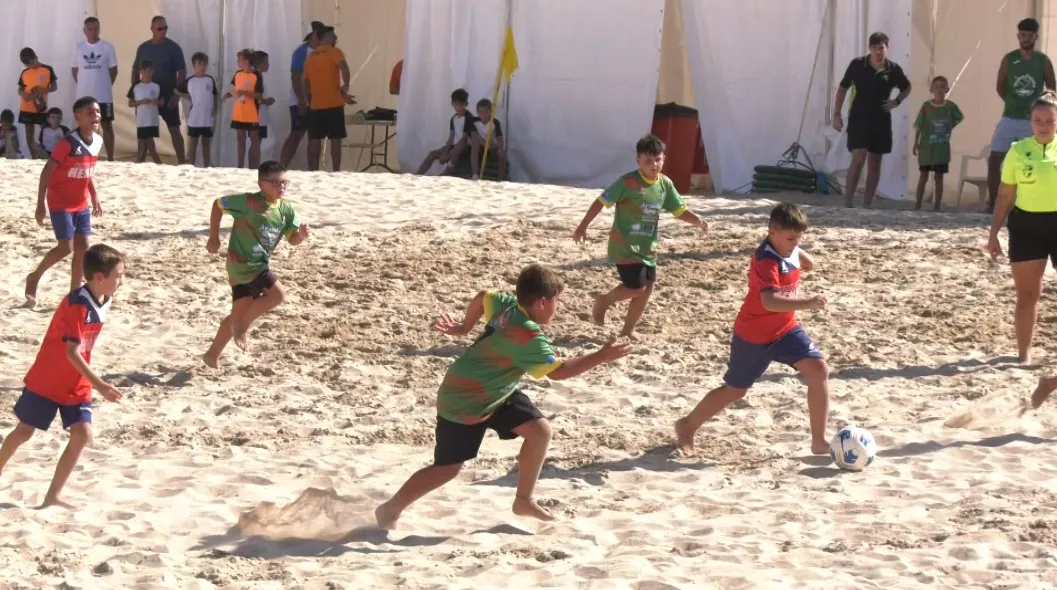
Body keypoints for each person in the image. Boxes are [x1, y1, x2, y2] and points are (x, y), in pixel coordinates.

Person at [374, 265, 634, 529]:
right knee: (448, 468)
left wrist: (465, 326)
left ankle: (523, 500)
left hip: (496, 391)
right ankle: (390, 509)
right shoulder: (528, 336)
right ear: (543, 302)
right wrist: (601, 356)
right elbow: (558, 372)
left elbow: (482, 297)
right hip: (464, 400)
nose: (558, 307)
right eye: (557, 301)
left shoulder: (508, 305)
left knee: (540, 431)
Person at [675, 203, 831, 456]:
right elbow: (769, 302)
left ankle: (819, 441)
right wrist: (808, 303)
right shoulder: (765, 260)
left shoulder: (788, 247)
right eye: (791, 238)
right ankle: (687, 425)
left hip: (785, 329)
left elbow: (807, 263)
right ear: (772, 231)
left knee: (819, 370)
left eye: (799, 237)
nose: (795, 243)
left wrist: (799, 251)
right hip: (754, 335)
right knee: (735, 391)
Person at [0, 244, 124, 509]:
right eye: (118, 275)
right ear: (98, 278)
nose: (121, 281)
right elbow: (71, 352)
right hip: (48, 378)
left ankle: (52, 496)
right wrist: (100, 385)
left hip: (76, 382)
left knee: (81, 434)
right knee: (24, 431)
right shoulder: (78, 304)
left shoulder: (103, 298)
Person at [572, 135, 708, 340]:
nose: (653, 165)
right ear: (638, 161)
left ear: (664, 159)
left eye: (658, 160)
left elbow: (679, 210)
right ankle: (604, 301)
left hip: (648, 248)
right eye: (648, 161)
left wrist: (696, 220)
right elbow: (601, 201)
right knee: (637, 287)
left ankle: (627, 330)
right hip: (624, 246)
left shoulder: (665, 184)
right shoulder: (627, 182)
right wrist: (583, 226)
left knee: (647, 289)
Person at [203, 161, 309, 368]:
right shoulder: (248, 202)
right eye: (275, 183)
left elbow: (292, 240)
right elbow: (218, 204)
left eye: (284, 183)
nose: (281, 187)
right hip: (241, 263)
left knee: (238, 313)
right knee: (278, 295)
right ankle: (241, 327)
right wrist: (213, 237)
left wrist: (301, 236)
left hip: (259, 263)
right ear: (261, 184)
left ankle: (212, 354)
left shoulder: (286, 209)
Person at [986, 91, 1057, 365]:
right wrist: (993, 234)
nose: (1043, 126)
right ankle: (1024, 353)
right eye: (1038, 120)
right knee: (1028, 295)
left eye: (1049, 121)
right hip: (1027, 226)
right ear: (1030, 121)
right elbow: (1005, 194)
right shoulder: (1018, 151)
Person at [25, 97, 104, 307]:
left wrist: (94, 195)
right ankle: (35, 276)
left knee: (83, 248)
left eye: (97, 112)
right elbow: (46, 172)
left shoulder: (97, 140)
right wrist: (40, 204)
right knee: (65, 247)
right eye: (89, 112)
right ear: (77, 116)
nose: (95, 116)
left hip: (81, 203)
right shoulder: (67, 143)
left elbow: (88, 172)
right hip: (60, 202)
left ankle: (73, 295)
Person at [831, 32, 911, 209]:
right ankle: (848, 201)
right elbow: (843, 89)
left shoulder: (893, 69)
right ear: (870, 49)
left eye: (881, 48)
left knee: (875, 162)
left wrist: (896, 101)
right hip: (859, 117)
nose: (877, 52)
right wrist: (836, 114)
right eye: (874, 48)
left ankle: (867, 204)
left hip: (881, 119)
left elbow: (907, 87)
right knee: (858, 158)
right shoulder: (858, 64)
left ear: (887, 48)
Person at [987, 18, 1056, 213]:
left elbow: (1052, 88)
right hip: (1010, 116)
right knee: (995, 158)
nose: (1026, 38)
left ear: (1036, 36)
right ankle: (993, 203)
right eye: (1023, 34)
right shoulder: (1009, 59)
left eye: (1030, 35)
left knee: (1036, 159)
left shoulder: (1042, 60)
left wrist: (1040, 109)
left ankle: (1032, 203)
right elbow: (1000, 86)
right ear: (1018, 36)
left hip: (1032, 120)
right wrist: (1012, 102)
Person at [132, 16, 187, 164]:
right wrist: (135, 89)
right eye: (159, 28)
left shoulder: (174, 48)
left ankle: (182, 162)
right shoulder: (143, 48)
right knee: (143, 131)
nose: (163, 31)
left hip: (168, 94)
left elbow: (182, 71)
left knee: (174, 128)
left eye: (165, 28)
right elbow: (135, 68)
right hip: (145, 95)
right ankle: (141, 161)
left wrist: (177, 94)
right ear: (152, 29)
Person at [302, 26, 352, 172]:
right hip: (334, 103)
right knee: (335, 139)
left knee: (314, 139)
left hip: (316, 104)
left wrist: (308, 98)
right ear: (328, 37)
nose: (336, 37)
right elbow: (344, 68)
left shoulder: (310, 57)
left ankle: (313, 170)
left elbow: (305, 81)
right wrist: (346, 85)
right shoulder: (335, 52)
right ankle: (336, 170)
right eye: (333, 35)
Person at [912, 75, 964, 212]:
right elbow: (919, 125)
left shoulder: (951, 107)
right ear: (931, 89)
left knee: (939, 177)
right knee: (923, 176)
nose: (939, 90)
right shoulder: (926, 106)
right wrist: (915, 142)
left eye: (942, 86)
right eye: (936, 87)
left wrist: (948, 127)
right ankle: (918, 204)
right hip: (926, 147)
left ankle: (937, 206)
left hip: (942, 148)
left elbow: (959, 118)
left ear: (947, 89)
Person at [72, 16, 118, 162]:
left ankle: (111, 158)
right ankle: (87, 156)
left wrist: (104, 84)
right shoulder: (78, 47)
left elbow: (114, 70)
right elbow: (74, 70)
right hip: (84, 95)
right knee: (85, 126)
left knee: (106, 125)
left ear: (99, 29)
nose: (93, 32)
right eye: (90, 29)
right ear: (84, 31)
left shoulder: (107, 47)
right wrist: (84, 85)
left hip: (103, 95)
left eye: (96, 28)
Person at [279, 21, 325, 168]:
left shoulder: (324, 52)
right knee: (296, 134)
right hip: (300, 100)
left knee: (315, 137)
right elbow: (295, 77)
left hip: (318, 101)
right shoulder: (301, 51)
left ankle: (314, 172)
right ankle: (281, 168)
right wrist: (301, 99)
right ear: (314, 34)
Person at [415, 88, 475, 175]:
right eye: (456, 104)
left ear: (466, 104)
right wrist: (445, 151)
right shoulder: (453, 118)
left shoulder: (468, 118)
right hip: (455, 146)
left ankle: (443, 175)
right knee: (432, 154)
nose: (458, 107)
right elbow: (451, 138)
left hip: (465, 147)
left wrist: (448, 155)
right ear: (452, 104)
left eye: (461, 104)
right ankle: (417, 175)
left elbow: (464, 140)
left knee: (458, 150)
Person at [224, 49, 264, 169]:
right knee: (240, 141)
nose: (237, 62)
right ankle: (240, 166)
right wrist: (229, 94)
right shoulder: (237, 74)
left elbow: (259, 95)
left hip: (252, 114)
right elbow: (236, 90)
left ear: (246, 61)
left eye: (239, 60)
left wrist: (245, 93)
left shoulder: (256, 75)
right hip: (238, 113)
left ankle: (257, 167)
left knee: (255, 141)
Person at [177, 52, 218, 167]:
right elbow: (177, 90)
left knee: (206, 144)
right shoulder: (190, 81)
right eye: (199, 64)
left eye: (205, 64)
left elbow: (215, 94)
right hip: (195, 118)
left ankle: (206, 166)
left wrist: (215, 108)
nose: (202, 67)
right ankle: (191, 166)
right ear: (194, 65)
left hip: (207, 118)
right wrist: (189, 97)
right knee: (193, 144)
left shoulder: (210, 80)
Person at [17, 47, 58, 159]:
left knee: (46, 134)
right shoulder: (25, 72)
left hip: (41, 108)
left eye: (32, 63)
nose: (31, 66)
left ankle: (46, 157)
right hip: (26, 108)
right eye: (28, 65)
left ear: (35, 57)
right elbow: (20, 90)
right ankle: (34, 158)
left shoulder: (47, 69)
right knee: (29, 137)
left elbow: (54, 87)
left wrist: (44, 89)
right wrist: (25, 95)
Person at [128, 61, 163, 164]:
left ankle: (158, 166)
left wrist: (156, 101)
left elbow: (162, 102)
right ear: (140, 72)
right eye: (145, 71)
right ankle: (142, 164)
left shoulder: (156, 86)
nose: (147, 74)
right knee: (144, 148)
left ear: (153, 72)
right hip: (141, 121)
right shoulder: (136, 87)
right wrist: (141, 102)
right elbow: (130, 103)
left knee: (149, 148)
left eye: (149, 71)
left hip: (152, 120)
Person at [469, 98, 506, 180]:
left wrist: (494, 145)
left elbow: (500, 140)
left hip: (492, 147)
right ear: (477, 112)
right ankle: (475, 175)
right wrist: (484, 144)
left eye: (486, 112)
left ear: (490, 112)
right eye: (480, 112)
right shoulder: (473, 121)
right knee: (475, 145)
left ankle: (500, 178)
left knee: (501, 152)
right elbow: (475, 137)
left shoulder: (495, 122)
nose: (483, 115)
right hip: (480, 147)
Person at [253, 51, 275, 155]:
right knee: (256, 143)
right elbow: (255, 96)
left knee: (258, 143)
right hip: (257, 116)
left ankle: (254, 166)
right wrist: (267, 101)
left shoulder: (259, 77)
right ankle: (253, 167)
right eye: (266, 62)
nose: (268, 64)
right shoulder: (256, 77)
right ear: (259, 63)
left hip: (261, 116)